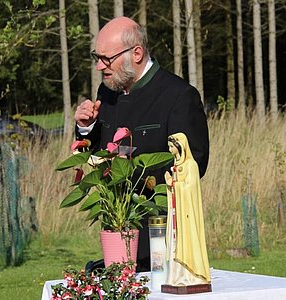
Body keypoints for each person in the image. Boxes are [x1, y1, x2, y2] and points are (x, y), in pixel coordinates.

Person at [74, 16, 209, 272]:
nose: (99, 67)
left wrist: (131, 171)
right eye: (97, 57)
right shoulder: (107, 93)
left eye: (106, 59)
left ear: (136, 53)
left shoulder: (179, 96)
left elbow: (194, 164)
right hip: (115, 231)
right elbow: (93, 155)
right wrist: (85, 127)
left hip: (164, 236)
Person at [164, 133, 210, 286]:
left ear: (180, 146)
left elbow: (190, 186)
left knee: (188, 239)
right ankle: (177, 276)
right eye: (169, 146)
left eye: (172, 146)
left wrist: (173, 184)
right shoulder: (176, 164)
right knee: (175, 241)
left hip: (187, 213)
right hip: (177, 211)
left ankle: (191, 274)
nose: (170, 149)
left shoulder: (191, 165)